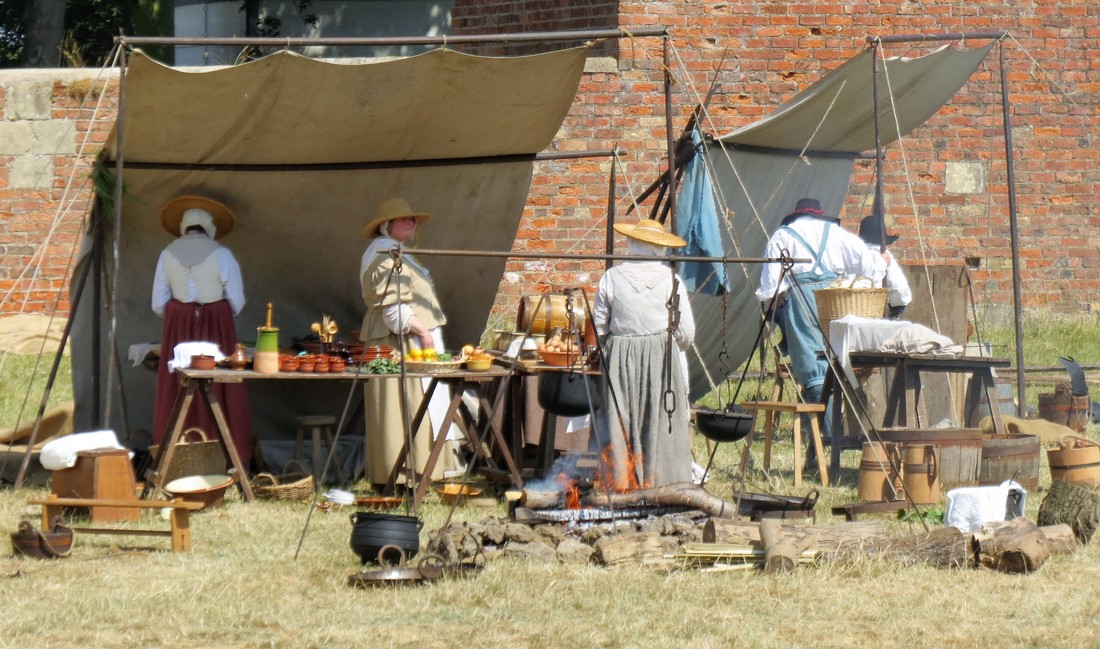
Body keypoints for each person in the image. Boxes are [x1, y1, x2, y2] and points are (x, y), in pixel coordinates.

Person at [755, 198, 886, 468]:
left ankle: (822, 443)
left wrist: (775, 305)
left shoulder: (782, 236)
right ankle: (828, 441)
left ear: (795, 217)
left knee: (812, 370)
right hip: (835, 301)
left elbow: (770, 287)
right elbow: (871, 268)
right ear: (819, 216)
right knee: (833, 364)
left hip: (801, 301)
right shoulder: (837, 234)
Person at [358, 197, 458, 488]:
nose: (410, 222)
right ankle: (401, 476)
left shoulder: (397, 253)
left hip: (413, 339)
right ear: (387, 226)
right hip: (402, 342)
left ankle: (424, 474)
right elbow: (392, 310)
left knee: (419, 405)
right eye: (403, 219)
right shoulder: (383, 257)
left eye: (412, 219)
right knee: (404, 408)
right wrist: (424, 334)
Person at [593, 219, 695, 488]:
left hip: (619, 356)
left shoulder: (611, 277)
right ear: (659, 248)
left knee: (620, 417)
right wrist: (667, 348)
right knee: (660, 418)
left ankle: (622, 481)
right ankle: (662, 481)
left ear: (633, 243)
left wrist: (616, 345)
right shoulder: (671, 279)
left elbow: (600, 326)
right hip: (661, 357)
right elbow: (686, 332)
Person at [151, 195, 252, 465]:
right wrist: (211, 314)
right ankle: (225, 459)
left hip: (179, 332)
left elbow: (158, 304)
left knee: (179, 385)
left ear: (184, 227)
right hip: (216, 331)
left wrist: (183, 313)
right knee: (219, 383)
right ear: (209, 228)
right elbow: (237, 302)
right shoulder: (222, 254)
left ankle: (177, 459)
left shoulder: (166, 254)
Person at [858, 214, 912, 319]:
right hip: (874, 310)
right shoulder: (883, 254)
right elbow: (898, 285)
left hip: (849, 308)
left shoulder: (853, 253)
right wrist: (897, 306)